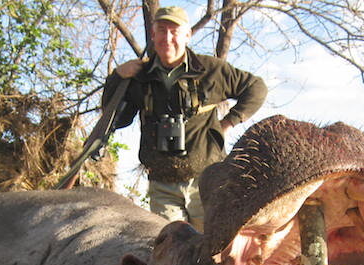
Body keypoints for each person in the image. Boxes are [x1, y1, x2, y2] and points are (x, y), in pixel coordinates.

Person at [103, 6, 267, 231]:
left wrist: (229, 122)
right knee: (173, 253)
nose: (167, 38)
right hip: (162, 184)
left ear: (187, 35)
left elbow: (256, 88)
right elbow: (116, 119)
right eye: (161, 31)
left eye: (175, 31)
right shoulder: (139, 75)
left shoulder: (210, 70)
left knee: (212, 250)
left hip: (207, 180)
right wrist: (116, 78)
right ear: (153, 35)